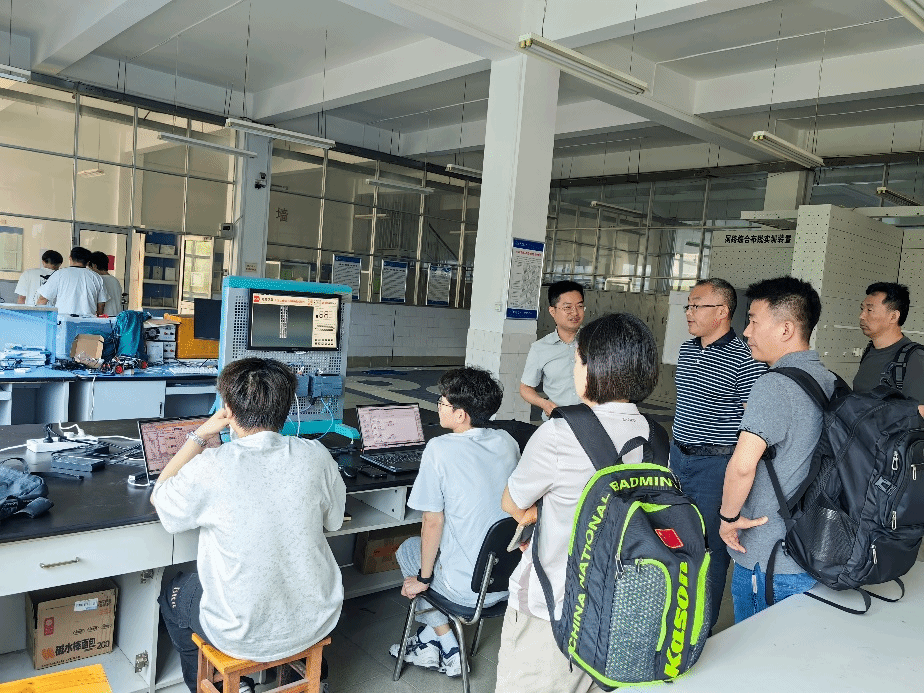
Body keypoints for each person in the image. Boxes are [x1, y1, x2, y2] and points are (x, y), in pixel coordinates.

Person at [151, 358, 346, 693]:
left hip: (239, 634)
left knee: (175, 591)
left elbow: (160, 496)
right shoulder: (317, 455)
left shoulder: (212, 465)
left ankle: (229, 686)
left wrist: (199, 435)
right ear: (287, 407)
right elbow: (334, 521)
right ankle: (306, 677)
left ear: (229, 410)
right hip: (317, 620)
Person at [497, 313, 659, 693]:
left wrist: (537, 516)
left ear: (594, 368)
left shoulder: (560, 433)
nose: (575, 369)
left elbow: (511, 502)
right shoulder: (655, 436)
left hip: (554, 606)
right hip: (619, 607)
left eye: (578, 361)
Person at [718, 276, 836, 622]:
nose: (746, 332)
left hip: (768, 556)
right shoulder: (829, 380)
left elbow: (743, 465)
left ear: (785, 329)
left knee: (754, 649)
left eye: (754, 321)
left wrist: (728, 519)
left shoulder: (773, 386)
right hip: (813, 546)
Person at [389, 367, 519, 678]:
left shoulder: (440, 448)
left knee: (409, 549)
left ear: (460, 415)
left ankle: (449, 645)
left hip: (466, 590)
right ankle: (428, 641)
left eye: (442, 402)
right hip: (505, 581)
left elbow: (432, 521)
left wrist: (423, 578)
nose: (438, 405)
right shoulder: (507, 440)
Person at [670, 277, 766, 631]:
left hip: (716, 466)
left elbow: (754, 424)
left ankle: (700, 630)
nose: (689, 312)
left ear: (722, 311)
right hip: (678, 457)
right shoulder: (686, 349)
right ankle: (674, 617)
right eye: (689, 305)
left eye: (697, 305)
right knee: (675, 538)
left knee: (710, 548)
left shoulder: (745, 358)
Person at [520, 281, 585, 419]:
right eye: (567, 307)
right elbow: (526, 388)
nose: (575, 312)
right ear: (552, 311)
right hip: (557, 420)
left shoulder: (596, 342)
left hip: (592, 420)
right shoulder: (540, 348)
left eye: (579, 306)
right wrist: (544, 403)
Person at [853, 282, 924, 404]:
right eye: (862, 309)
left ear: (893, 317)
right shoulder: (870, 351)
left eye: (869, 310)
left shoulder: (915, 358)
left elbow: (919, 411)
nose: (861, 316)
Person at [36, 246, 106, 317]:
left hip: (64, 320)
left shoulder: (59, 274)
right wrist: (98, 317)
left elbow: (43, 299)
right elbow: (101, 303)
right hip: (89, 320)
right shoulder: (96, 277)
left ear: (70, 258)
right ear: (88, 262)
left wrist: (39, 318)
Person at [88, 251, 124, 316]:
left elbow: (100, 303)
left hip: (104, 318)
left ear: (94, 266)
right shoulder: (115, 280)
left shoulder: (98, 280)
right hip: (116, 316)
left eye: (90, 268)